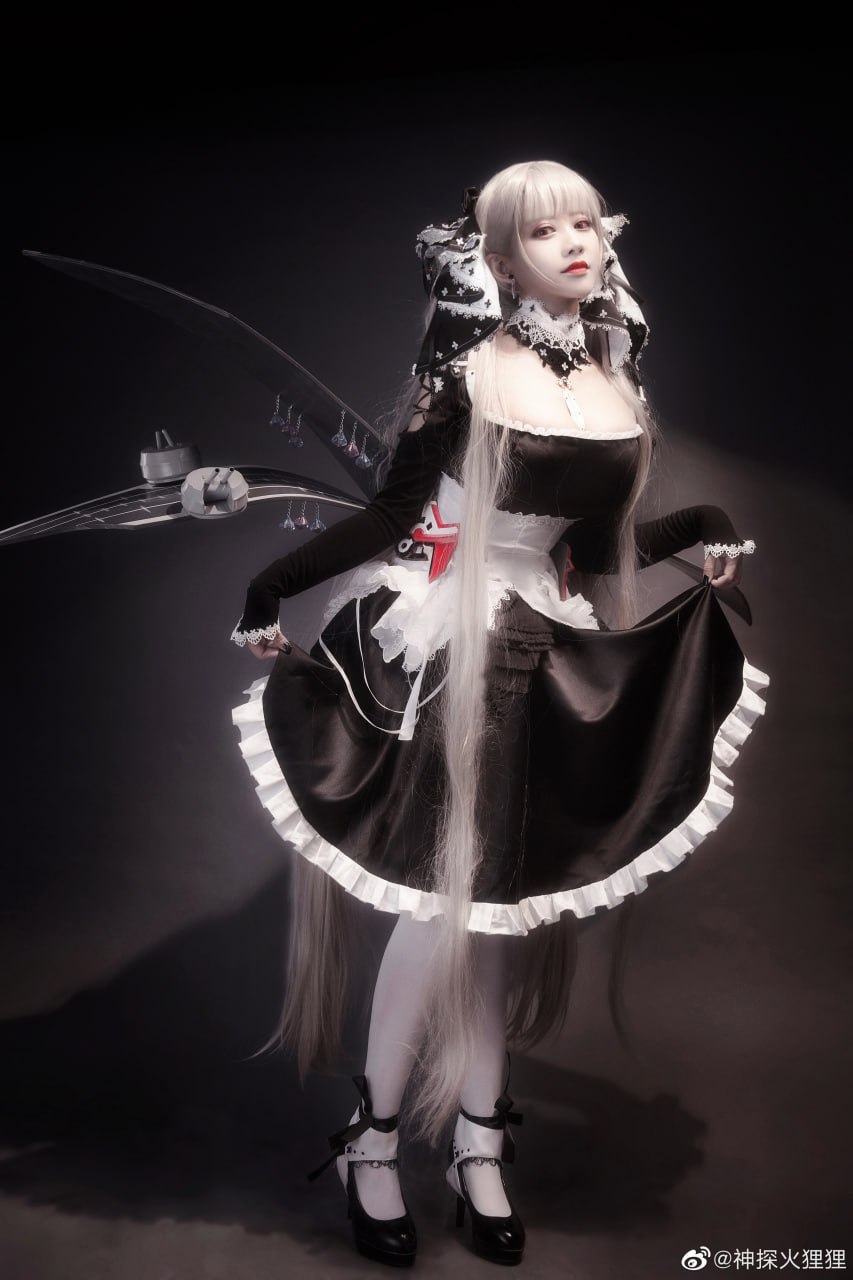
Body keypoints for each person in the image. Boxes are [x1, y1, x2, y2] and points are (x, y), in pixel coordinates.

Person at [229, 159, 768, 1267]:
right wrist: (269, 586)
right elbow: (393, 514)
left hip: (541, 633)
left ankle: (478, 1144)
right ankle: (375, 1143)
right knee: (446, 902)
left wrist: (701, 524)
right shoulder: (465, 369)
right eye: (542, 231)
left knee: (496, 910)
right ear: (499, 261)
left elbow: (593, 551)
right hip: (454, 636)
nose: (576, 243)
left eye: (586, 223)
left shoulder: (612, 379)